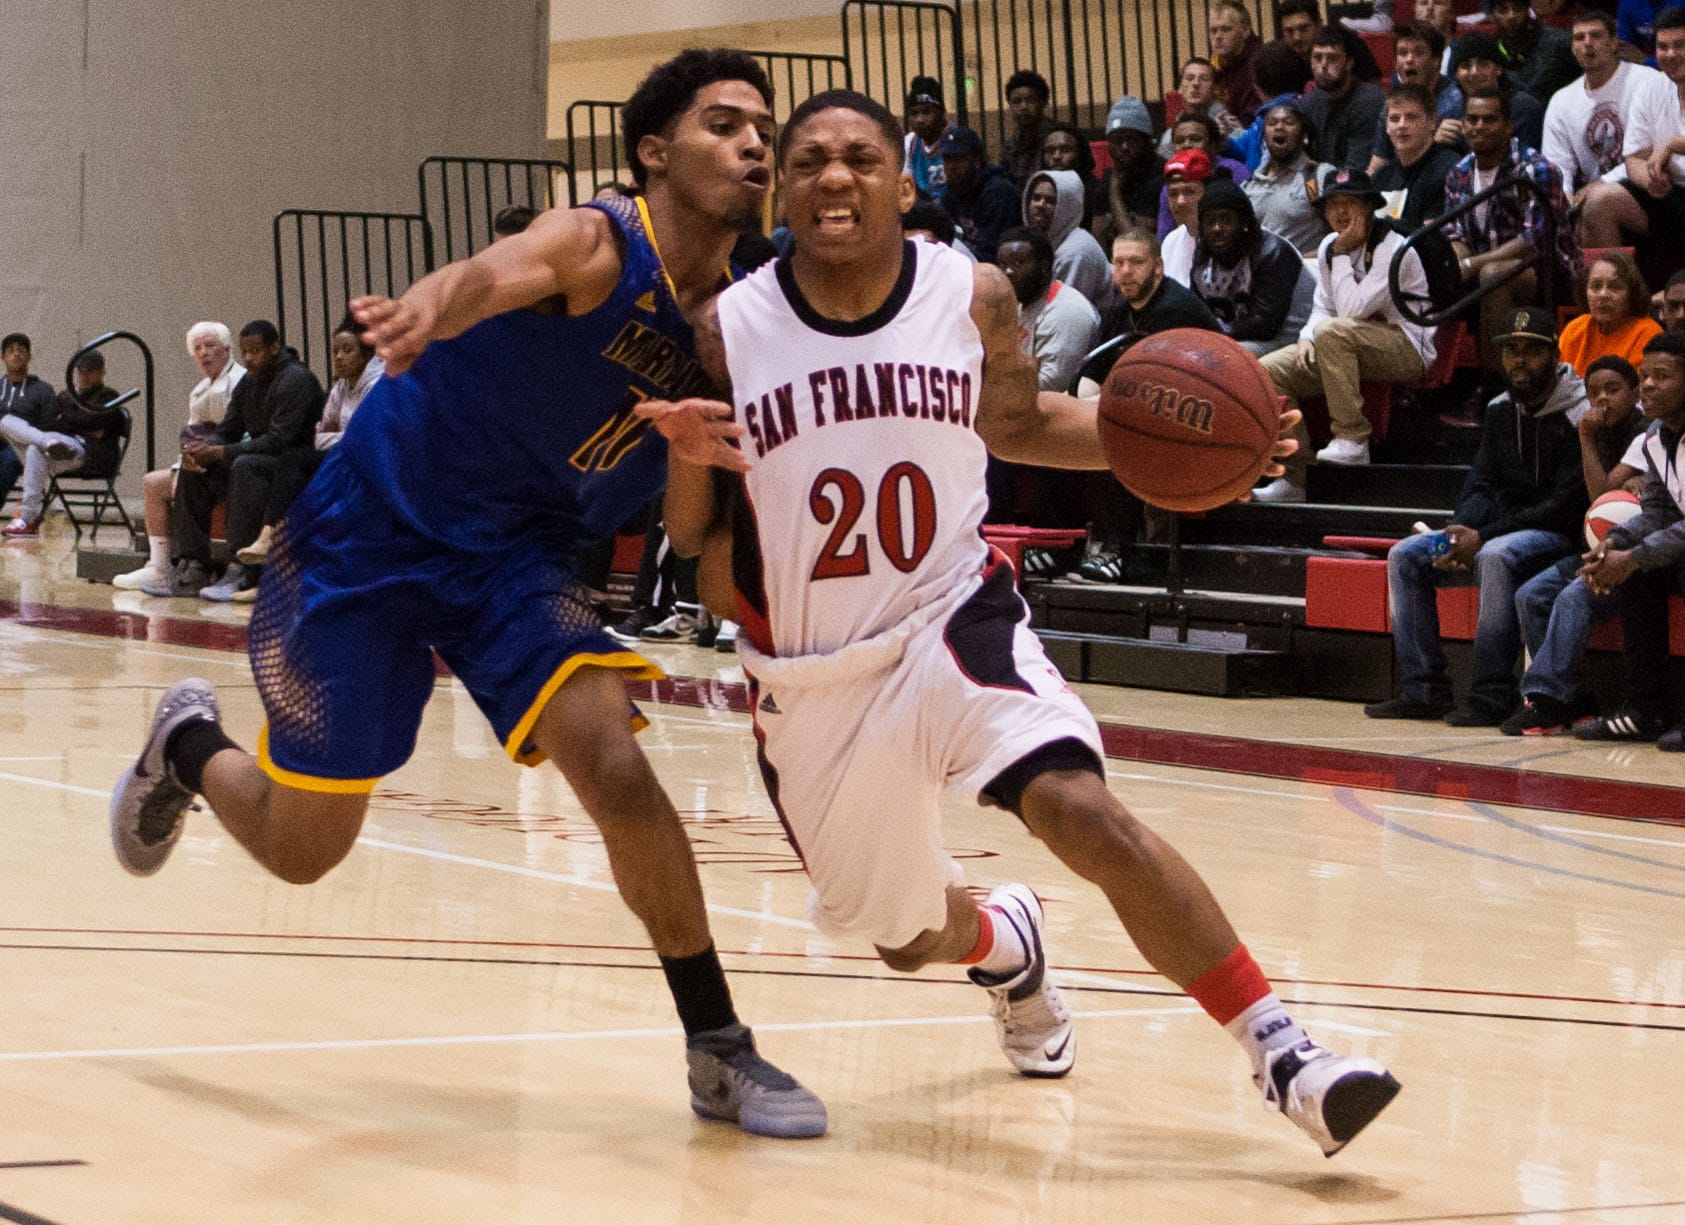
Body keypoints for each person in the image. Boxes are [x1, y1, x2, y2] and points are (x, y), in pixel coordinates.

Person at [641, 86, 1399, 1156]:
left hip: (952, 615)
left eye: (859, 157)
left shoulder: (971, 293)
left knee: (1080, 809)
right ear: (781, 183)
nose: (831, 177)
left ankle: (1284, 1051)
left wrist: (1199, 450)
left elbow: (1024, 423)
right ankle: (1004, 944)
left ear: (901, 180)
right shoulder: (728, 326)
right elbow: (700, 555)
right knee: (905, 937)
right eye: (807, 159)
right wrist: (685, 464)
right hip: (810, 677)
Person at [106, 48, 825, 1140]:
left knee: (616, 761)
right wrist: (426, 307)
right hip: (370, 532)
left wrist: (695, 441)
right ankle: (188, 745)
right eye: (723, 123)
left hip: (518, 556)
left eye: (759, 129)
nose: (751, 143)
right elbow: (493, 274)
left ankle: (717, 1044)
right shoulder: (597, 238)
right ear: (652, 151)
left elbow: (684, 529)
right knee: (305, 850)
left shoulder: (737, 323)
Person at [1365, 307, 1588, 724]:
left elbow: (1565, 505)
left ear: (1554, 356)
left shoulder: (1579, 413)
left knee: (1495, 557)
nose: (1519, 361)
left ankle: (1491, 695)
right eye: (1511, 351)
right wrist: (1459, 530)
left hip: (1554, 535)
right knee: (1406, 554)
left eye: (1531, 351)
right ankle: (1423, 688)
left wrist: (1481, 537)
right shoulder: (1500, 409)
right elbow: (1480, 483)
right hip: (1491, 530)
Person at [1259, 170, 1436, 497]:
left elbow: (1353, 310)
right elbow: (1324, 306)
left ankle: (1353, 438)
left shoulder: (1392, 248)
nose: (1340, 212)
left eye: (1350, 203)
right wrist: (1305, 337)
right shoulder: (1329, 245)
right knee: (1267, 372)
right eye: (1333, 204)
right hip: (1344, 342)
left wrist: (1341, 253)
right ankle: (1295, 477)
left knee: (1334, 333)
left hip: (1408, 346)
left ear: (1369, 207)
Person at [1505, 353, 1649, 734]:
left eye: (1613, 390)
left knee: (1572, 595)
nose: (1601, 399)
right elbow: (1598, 499)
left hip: (1638, 554)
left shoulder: (1644, 430)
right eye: (1593, 391)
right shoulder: (1593, 430)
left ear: (1635, 392)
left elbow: (1601, 493)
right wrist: (1588, 440)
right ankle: (1570, 698)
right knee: (1530, 596)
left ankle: (1547, 698)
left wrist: (1586, 439)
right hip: (1599, 543)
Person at [141, 320, 324, 600]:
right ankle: (195, 565)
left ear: (275, 348)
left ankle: (241, 569)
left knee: (243, 465)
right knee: (193, 468)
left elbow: (279, 441)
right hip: (261, 459)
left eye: (256, 351)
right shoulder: (249, 382)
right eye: (245, 351)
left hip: (295, 467)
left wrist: (222, 452)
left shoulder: (296, 379)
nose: (248, 358)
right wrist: (201, 450)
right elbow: (227, 431)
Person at [1573, 331, 1685, 747]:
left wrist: (1634, 555)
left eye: (1664, 376)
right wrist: (1614, 543)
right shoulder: (1655, 437)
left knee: (1646, 564)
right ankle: (1645, 710)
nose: (1651, 384)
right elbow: (1658, 510)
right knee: (1636, 577)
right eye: (1646, 375)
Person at [233, 314, 386, 589]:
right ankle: (263, 575)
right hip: (343, 458)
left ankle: (272, 544)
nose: (338, 357)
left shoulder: (378, 386)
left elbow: (361, 437)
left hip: (374, 464)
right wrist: (339, 438)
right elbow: (321, 434)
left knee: (294, 462)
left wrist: (338, 437)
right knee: (281, 468)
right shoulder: (340, 386)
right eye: (335, 350)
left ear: (366, 355)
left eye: (347, 350)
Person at [1443, 89, 1583, 374]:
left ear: (1508, 126)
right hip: (1483, 273)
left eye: (1489, 119)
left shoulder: (1537, 170)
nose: (1479, 126)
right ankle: (1433, 382)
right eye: (1472, 119)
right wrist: (1456, 262)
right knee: (1436, 270)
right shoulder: (1458, 173)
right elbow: (1452, 233)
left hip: (1550, 273)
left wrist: (1471, 265)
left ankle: (1495, 385)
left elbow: (1534, 242)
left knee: (1494, 275)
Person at [113, 323, 245, 590]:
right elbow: (192, 436)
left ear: (227, 348)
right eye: (197, 348)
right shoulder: (199, 391)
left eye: (210, 345)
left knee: (199, 477)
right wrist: (184, 462)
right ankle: (160, 566)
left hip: (234, 459)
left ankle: (228, 567)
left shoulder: (241, 382)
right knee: (155, 481)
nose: (204, 353)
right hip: (204, 464)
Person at [1576, 8, 1685, 261]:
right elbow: (1634, 158)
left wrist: (1672, 144)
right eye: (1663, 47)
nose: (1670, 54)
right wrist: (1652, 181)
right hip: (1670, 194)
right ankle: (1622, 292)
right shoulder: (1651, 87)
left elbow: (1666, 147)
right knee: (1598, 202)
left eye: (1680, 45)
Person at [1544, 9, 1676, 211]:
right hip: (1590, 196)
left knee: (1598, 203)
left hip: (1646, 189)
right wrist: (1566, 200)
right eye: (1579, 38)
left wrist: (1602, 183)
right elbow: (1557, 167)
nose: (1587, 43)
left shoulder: (1648, 81)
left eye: (1596, 35)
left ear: (1615, 42)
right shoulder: (1561, 100)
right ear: (1572, 47)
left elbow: (1649, 152)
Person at [0, 351, 121, 537]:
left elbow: (92, 422)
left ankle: (26, 516)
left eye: (90, 371)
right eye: (81, 370)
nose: (84, 375)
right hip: (58, 449)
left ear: (102, 373)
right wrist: (73, 423)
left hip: (87, 452)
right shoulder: (68, 395)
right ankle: (28, 518)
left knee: (35, 446)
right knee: (7, 423)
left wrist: (69, 421)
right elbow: (51, 423)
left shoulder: (109, 396)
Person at [1189, 178, 1314, 358]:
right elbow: (1196, 311)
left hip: (1287, 342)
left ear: (1244, 223)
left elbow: (1264, 327)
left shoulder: (1273, 253)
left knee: (1216, 358)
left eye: (1225, 219)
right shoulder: (1203, 255)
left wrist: (1209, 335)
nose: (1217, 228)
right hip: (1230, 338)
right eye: (1210, 221)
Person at [996, 226, 1101, 393]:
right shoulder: (1021, 301)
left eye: (1018, 263)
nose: (1007, 272)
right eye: (1002, 265)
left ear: (1044, 267)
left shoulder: (1067, 311)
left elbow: (1051, 386)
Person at [1365, 20, 1466, 173]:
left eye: (1418, 53)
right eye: (1403, 53)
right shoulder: (1392, 104)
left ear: (1436, 60)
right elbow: (1377, 164)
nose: (1409, 59)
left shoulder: (1457, 101)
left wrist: (1430, 146)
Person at [1243, 98, 1336, 253]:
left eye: (1289, 122)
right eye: (1272, 123)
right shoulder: (1250, 184)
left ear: (1304, 135)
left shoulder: (1320, 176)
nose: (1279, 127)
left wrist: (1316, 258)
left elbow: (1343, 232)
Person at [1373, 83, 1465, 231]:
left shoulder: (1450, 171)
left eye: (1411, 117)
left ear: (1432, 122)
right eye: (1394, 119)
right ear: (1386, 128)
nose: (1401, 125)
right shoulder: (1381, 178)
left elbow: (1432, 239)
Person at [1559, 249, 1663, 374]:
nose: (1603, 295)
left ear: (1632, 293)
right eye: (1596, 286)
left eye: (1615, 287)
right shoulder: (1574, 329)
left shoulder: (1647, 332)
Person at [1299, 26, 1389, 171]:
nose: (1323, 65)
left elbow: (1356, 171)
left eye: (1332, 58)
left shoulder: (1369, 100)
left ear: (1349, 63)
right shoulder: (1308, 103)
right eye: (1317, 57)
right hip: (1321, 185)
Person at [1155, 107, 1252, 236]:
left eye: (1195, 139)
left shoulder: (1236, 172)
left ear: (1214, 146)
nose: (1186, 145)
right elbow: (1165, 235)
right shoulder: (1172, 181)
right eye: (1179, 141)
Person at [1023, 170, 1112, 307]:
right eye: (1036, 198)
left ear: (1067, 207)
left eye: (1050, 201)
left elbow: (1066, 311)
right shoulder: (1043, 241)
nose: (1040, 205)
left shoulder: (1076, 252)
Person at [937, 126, 1020, 264]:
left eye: (958, 159)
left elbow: (993, 252)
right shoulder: (951, 193)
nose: (951, 167)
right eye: (947, 159)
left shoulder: (999, 192)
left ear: (976, 160)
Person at [1451, 33, 1547, 149]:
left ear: (1498, 69)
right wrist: (1436, 143)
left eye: (1483, 64)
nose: (1474, 72)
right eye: (1465, 66)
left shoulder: (1523, 107)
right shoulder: (1452, 112)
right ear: (1457, 74)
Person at [1092, 96, 1165, 248]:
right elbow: (1098, 239)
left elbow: (1137, 245)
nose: (1124, 147)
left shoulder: (1161, 174)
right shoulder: (1109, 177)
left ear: (1147, 141)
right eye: (1117, 140)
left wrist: (1114, 194)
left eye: (1132, 139)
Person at [0, 333, 58, 508]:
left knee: (9, 460)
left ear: (30, 356)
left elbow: (48, 426)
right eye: (11, 351)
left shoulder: (43, 390)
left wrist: (15, 435)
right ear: (2, 358)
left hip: (23, 447)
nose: (16, 354)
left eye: (21, 350)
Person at [1491, 0, 1582, 102]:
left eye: (1517, 9)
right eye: (1502, 10)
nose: (1511, 16)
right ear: (1492, 16)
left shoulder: (1560, 42)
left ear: (1528, 11)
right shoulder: (1489, 50)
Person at [1159, 58, 1239, 159]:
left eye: (1204, 79)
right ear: (1179, 88)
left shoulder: (1229, 124)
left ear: (1215, 88)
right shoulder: (1170, 135)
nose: (1196, 83)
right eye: (1189, 78)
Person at [1159, 148, 1213, 285]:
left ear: (1208, 191)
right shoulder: (1171, 242)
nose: (1180, 201)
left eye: (1189, 192)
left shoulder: (1226, 239)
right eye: (1173, 194)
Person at [1210, 0, 1266, 126]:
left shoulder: (1258, 64)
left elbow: (1252, 120)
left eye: (1226, 29)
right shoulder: (1217, 65)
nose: (1218, 36)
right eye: (1213, 31)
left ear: (1245, 31)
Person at [903, 75, 956, 203]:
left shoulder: (956, 138)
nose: (919, 120)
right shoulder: (909, 143)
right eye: (914, 113)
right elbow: (906, 187)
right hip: (924, 214)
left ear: (941, 113)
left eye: (926, 112)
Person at [1039, 121, 1103, 226]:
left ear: (1080, 153)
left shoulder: (1096, 191)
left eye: (1065, 150)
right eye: (1050, 151)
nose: (1056, 156)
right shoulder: (1039, 189)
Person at [1001, 69, 1053, 187]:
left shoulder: (1056, 138)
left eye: (1030, 100)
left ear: (1043, 102)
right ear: (1010, 105)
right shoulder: (1010, 146)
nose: (1023, 107)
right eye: (1016, 102)